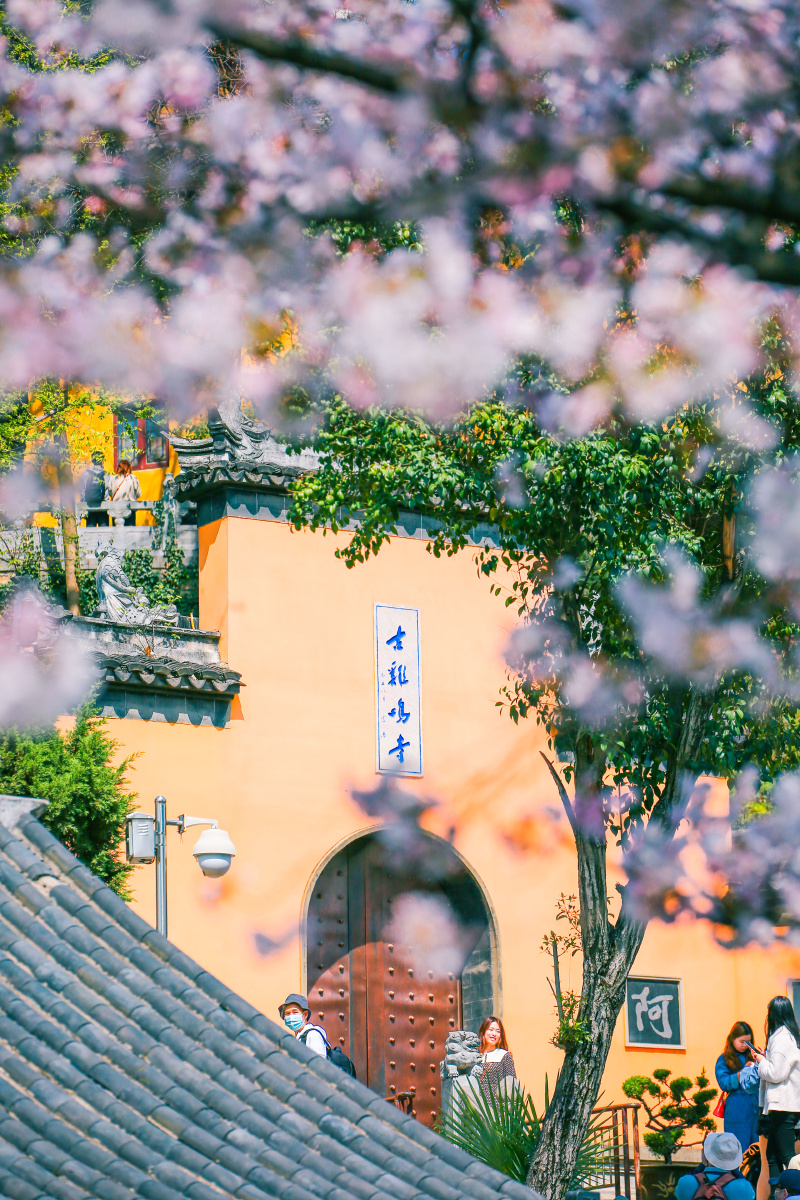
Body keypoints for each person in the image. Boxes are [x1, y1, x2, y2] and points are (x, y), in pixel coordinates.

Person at [752, 997, 800, 1180]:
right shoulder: (791, 1035)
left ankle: (794, 1192)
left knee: (788, 1157)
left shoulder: (780, 1038)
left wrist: (761, 1060)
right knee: (772, 1156)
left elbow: (775, 1074)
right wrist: (766, 1058)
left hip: (783, 1105)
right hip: (788, 1104)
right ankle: (777, 1194)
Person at [717, 1022, 760, 1153]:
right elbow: (723, 1082)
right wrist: (742, 1073)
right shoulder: (724, 1059)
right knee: (738, 1147)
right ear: (732, 1039)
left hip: (755, 1106)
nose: (745, 1045)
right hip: (736, 1108)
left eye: (748, 1042)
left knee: (757, 1147)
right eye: (742, 1041)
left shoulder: (754, 1055)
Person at [675, 1132, 755, 1200]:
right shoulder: (743, 1188)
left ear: (705, 1155)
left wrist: (702, 1165)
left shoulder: (686, 1183)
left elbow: (679, 1193)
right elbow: (749, 1192)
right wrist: (735, 1170)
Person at [478, 1015, 517, 1100]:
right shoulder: (475, 1056)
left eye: (498, 1031)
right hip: (477, 1107)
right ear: (483, 1032)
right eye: (490, 1030)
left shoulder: (504, 1056)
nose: (494, 1034)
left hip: (497, 1108)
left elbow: (512, 1084)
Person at [278, 993, 327, 1058]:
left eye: (295, 1012)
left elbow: (320, 1064)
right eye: (287, 1013)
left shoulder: (312, 1035)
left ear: (305, 1014)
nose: (291, 1016)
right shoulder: (298, 1037)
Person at [107, 458, 141, 525]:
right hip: (130, 509)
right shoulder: (133, 478)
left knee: (116, 533)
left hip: (116, 510)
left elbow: (110, 493)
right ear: (129, 468)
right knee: (130, 533)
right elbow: (139, 493)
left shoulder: (113, 478)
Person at [80, 452, 108, 526]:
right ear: (102, 461)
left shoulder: (85, 474)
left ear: (92, 461)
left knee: (90, 535)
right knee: (105, 534)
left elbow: (82, 491)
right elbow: (109, 490)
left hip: (90, 507)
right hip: (103, 508)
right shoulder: (106, 474)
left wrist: (83, 504)